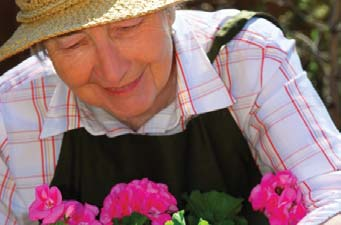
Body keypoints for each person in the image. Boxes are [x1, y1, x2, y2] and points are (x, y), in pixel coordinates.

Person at [0, 0, 340, 224]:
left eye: (127, 27)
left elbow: (333, 202)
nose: (112, 70)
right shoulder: (13, 109)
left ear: (169, 10)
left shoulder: (250, 58)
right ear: (44, 49)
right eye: (73, 44)